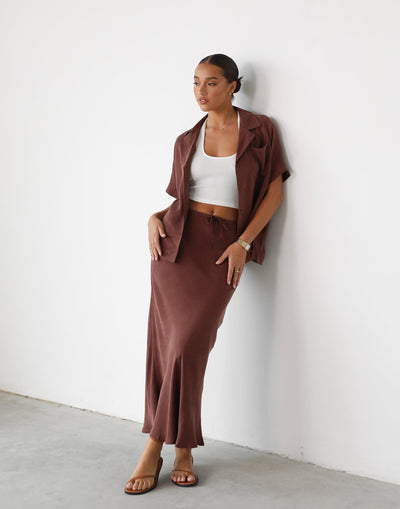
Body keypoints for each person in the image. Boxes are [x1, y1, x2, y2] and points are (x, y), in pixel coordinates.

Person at [124, 53, 291, 495]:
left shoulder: (259, 130)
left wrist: (243, 243)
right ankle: (178, 448)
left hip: (223, 248)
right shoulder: (186, 139)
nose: (201, 91)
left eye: (212, 82)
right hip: (176, 245)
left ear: (233, 85)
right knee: (166, 350)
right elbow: (182, 199)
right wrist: (153, 217)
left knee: (189, 347)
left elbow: (273, 192)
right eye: (196, 82)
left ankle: (156, 444)